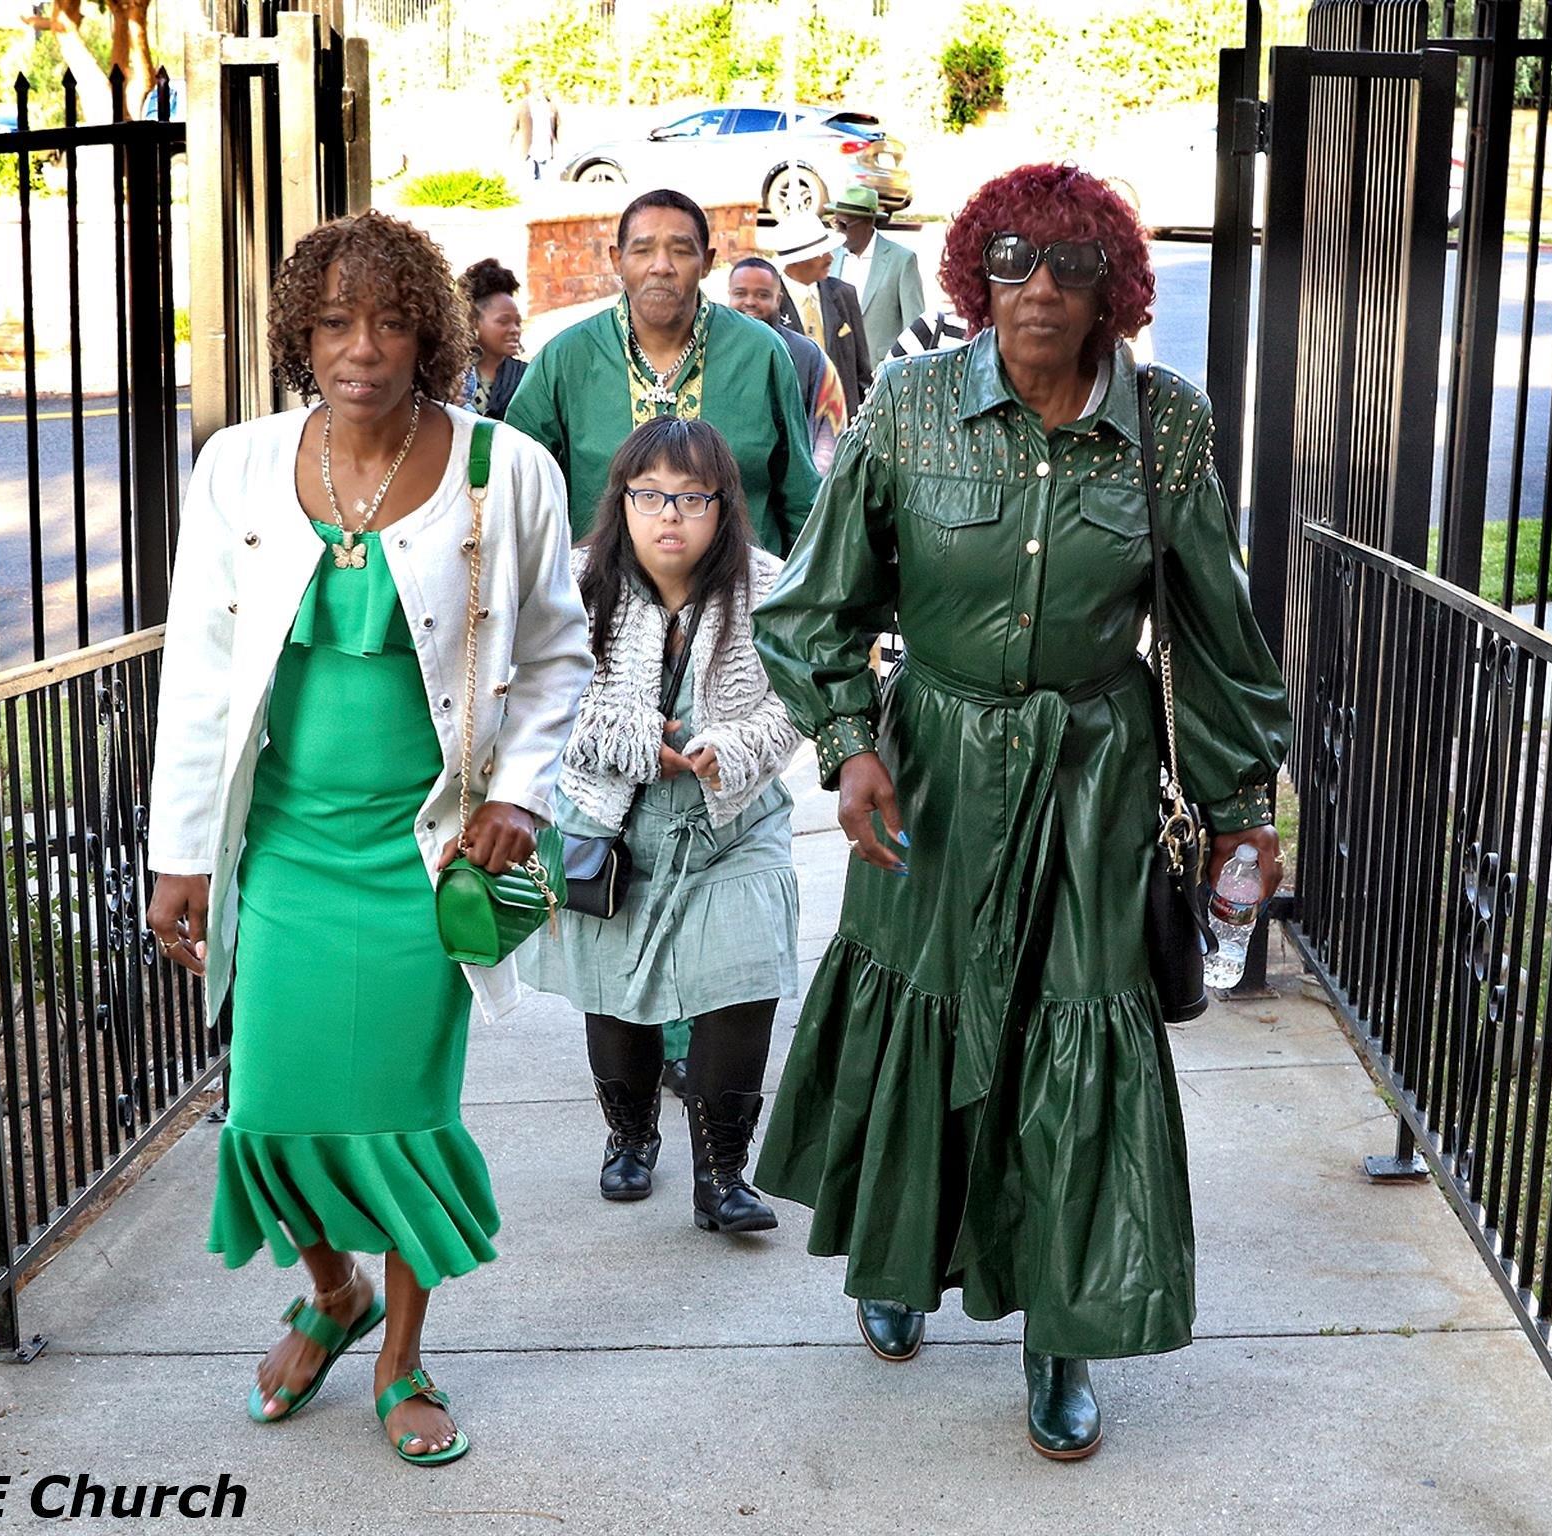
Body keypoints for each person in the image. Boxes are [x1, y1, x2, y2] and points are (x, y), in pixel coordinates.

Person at [750, 164, 1292, 1460]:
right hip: (931, 775)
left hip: (1095, 783)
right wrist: (849, 745)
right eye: (1011, 261)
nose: (1039, 287)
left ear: (1115, 287)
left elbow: (1212, 634)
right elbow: (815, 605)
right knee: (922, 1010)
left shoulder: (1167, 426)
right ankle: (899, 1255)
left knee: (1078, 1034)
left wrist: (1239, 809)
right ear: (973, 279)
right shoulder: (910, 408)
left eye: (1070, 265)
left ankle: (1064, 1327)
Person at [146, 210, 593, 1468]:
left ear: (429, 335)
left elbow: (558, 653)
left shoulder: (506, 470)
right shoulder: (239, 467)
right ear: (301, 333)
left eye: (392, 322)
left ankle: (401, 1356)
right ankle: (332, 1290)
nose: (362, 348)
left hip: (425, 853)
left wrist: (521, 795)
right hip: (286, 847)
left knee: (400, 1114)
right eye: (336, 322)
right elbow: (201, 668)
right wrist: (181, 851)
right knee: (273, 1108)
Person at [521, 417, 801, 1232]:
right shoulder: (574, 584)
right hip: (610, 826)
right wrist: (639, 742)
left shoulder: (770, 587)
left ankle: (723, 1176)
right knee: (614, 996)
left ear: (723, 505)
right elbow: (533, 697)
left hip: (733, 824)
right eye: (649, 496)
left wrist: (732, 748)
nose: (669, 515)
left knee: (742, 983)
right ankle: (630, 1137)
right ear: (622, 501)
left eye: (690, 497)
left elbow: (798, 699)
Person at [507, 187, 821, 553]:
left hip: (741, 586)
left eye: (681, 251)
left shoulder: (760, 353)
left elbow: (801, 499)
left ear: (707, 262)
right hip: (599, 586)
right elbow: (517, 496)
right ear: (617, 260)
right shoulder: (566, 359)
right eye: (642, 251)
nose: (661, 266)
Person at [727, 255, 845, 474]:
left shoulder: (808, 355)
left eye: (762, 295)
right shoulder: (710, 348)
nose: (750, 302)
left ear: (778, 299)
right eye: (740, 293)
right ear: (729, 295)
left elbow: (830, 429)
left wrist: (814, 481)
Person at [768, 213, 870, 417]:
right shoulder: (770, 303)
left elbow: (862, 370)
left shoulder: (843, 294)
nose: (830, 257)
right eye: (821, 253)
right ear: (797, 261)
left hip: (842, 422)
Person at [825, 185, 926, 370]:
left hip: (883, 371)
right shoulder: (830, 257)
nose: (838, 231)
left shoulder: (901, 260)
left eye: (843, 225)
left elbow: (915, 327)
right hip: (837, 372)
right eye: (834, 223)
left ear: (868, 223)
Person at [457, 257, 527, 420]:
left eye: (518, 322)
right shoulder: (452, 378)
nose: (515, 330)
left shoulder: (528, 378)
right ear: (473, 322)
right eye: (503, 321)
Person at [510, 78, 559, 182]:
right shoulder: (523, 105)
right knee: (527, 180)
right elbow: (513, 126)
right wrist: (510, 143)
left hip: (545, 150)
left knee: (544, 181)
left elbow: (558, 124)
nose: (540, 90)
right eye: (538, 88)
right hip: (528, 151)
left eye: (541, 87)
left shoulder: (549, 104)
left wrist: (558, 144)